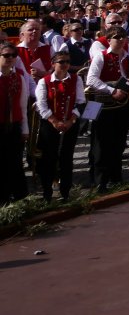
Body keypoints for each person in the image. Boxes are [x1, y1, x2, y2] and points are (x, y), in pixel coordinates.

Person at [85, 25, 129, 191]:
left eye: (123, 36)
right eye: (117, 37)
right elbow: (91, 80)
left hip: (122, 106)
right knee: (101, 144)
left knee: (119, 143)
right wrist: (112, 90)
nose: (121, 39)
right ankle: (100, 181)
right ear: (108, 40)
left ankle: (116, 178)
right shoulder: (100, 57)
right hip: (103, 106)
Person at [34, 48, 84, 200]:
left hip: (70, 124)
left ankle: (65, 192)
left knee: (66, 158)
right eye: (61, 62)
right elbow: (41, 105)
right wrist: (54, 121)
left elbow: (81, 102)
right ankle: (47, 193)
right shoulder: (44, 81)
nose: (65, 65)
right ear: (53, 64)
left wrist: (71, 120)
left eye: (68, 62)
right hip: (49, 125)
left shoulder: (76, 79)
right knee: (49, 158)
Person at [0, 44, 31, 202]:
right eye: (6, 55)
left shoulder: (18, 77)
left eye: (13, 55)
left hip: (14, 126)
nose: (10, 58)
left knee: (15, 162)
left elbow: (22, 104)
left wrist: (25, 128)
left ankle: (19, 197)